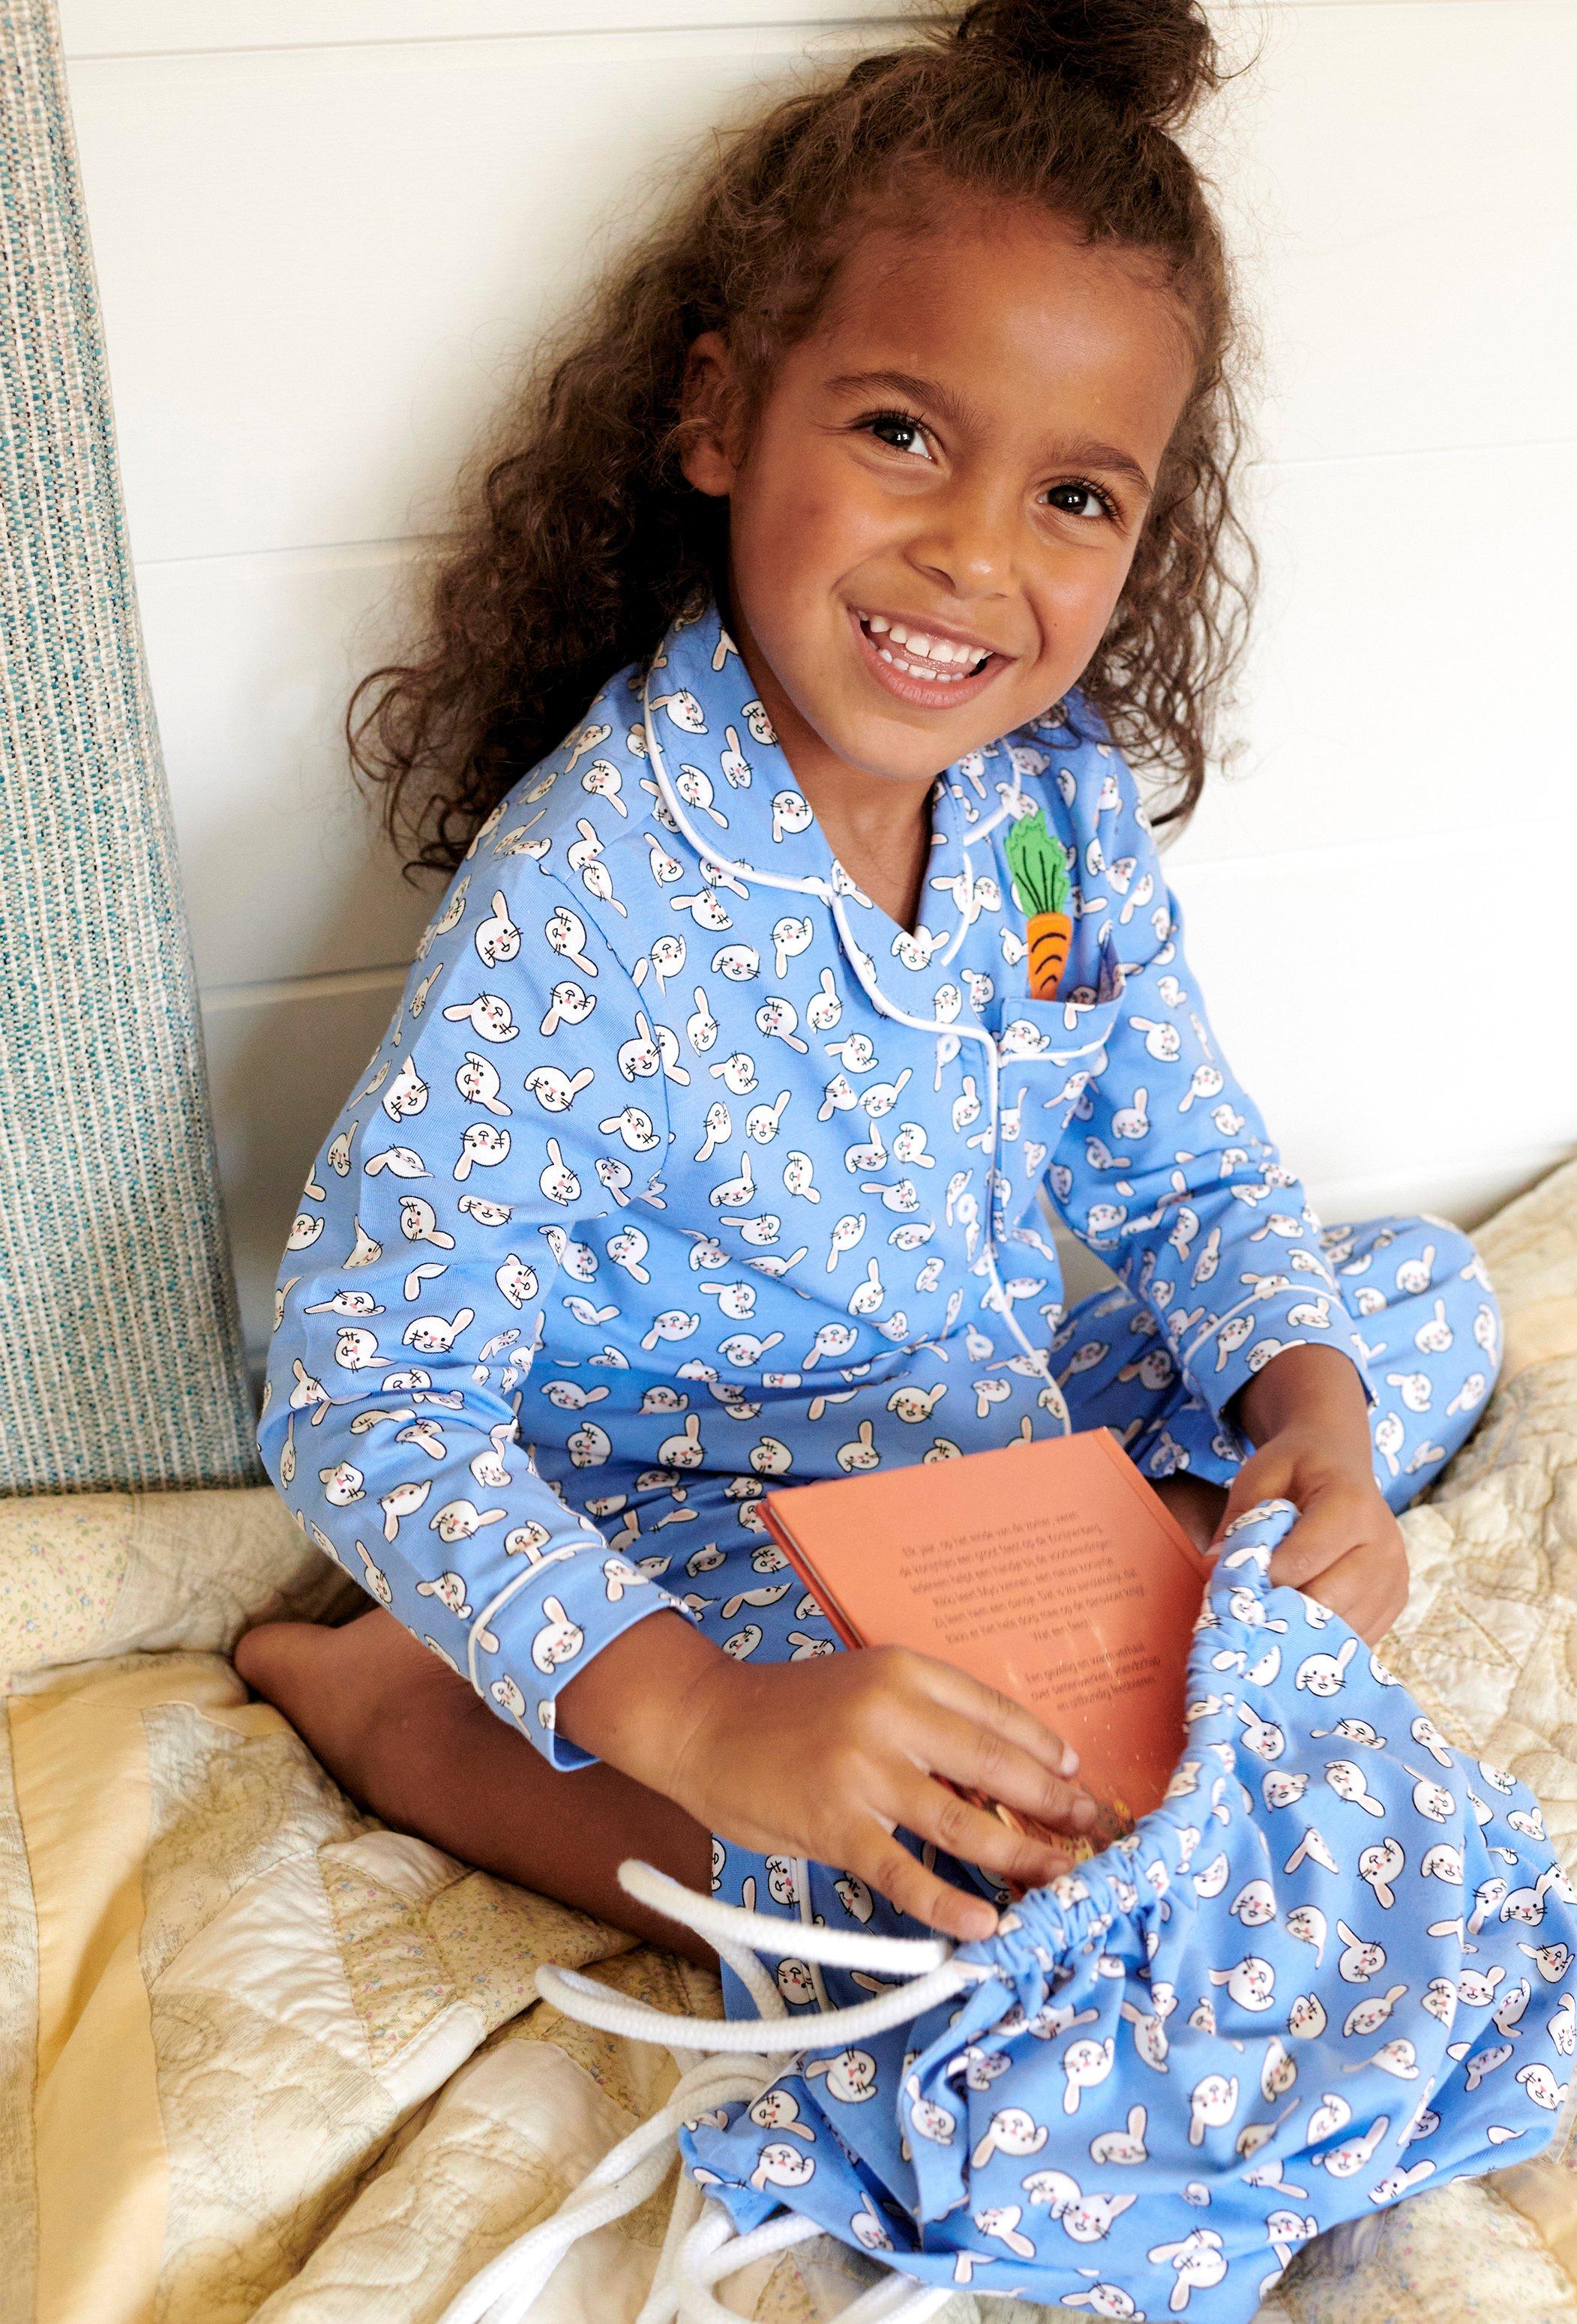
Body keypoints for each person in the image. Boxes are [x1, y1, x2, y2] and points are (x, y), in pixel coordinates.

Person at [242, 0, 1502, 2001]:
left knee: (1418, 1305)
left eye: (1074, 498)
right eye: (904, 434)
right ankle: (405, 1707)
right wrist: (698, 1712)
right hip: (704, 1519)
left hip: (995, 1454)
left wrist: (1314, 1437)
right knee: (932, 1890)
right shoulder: (594, 890)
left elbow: (1184, 1174)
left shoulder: (1050, 811)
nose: (973, 559)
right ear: (722, 416)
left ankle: (1107, 1619)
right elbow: (361, 1383)